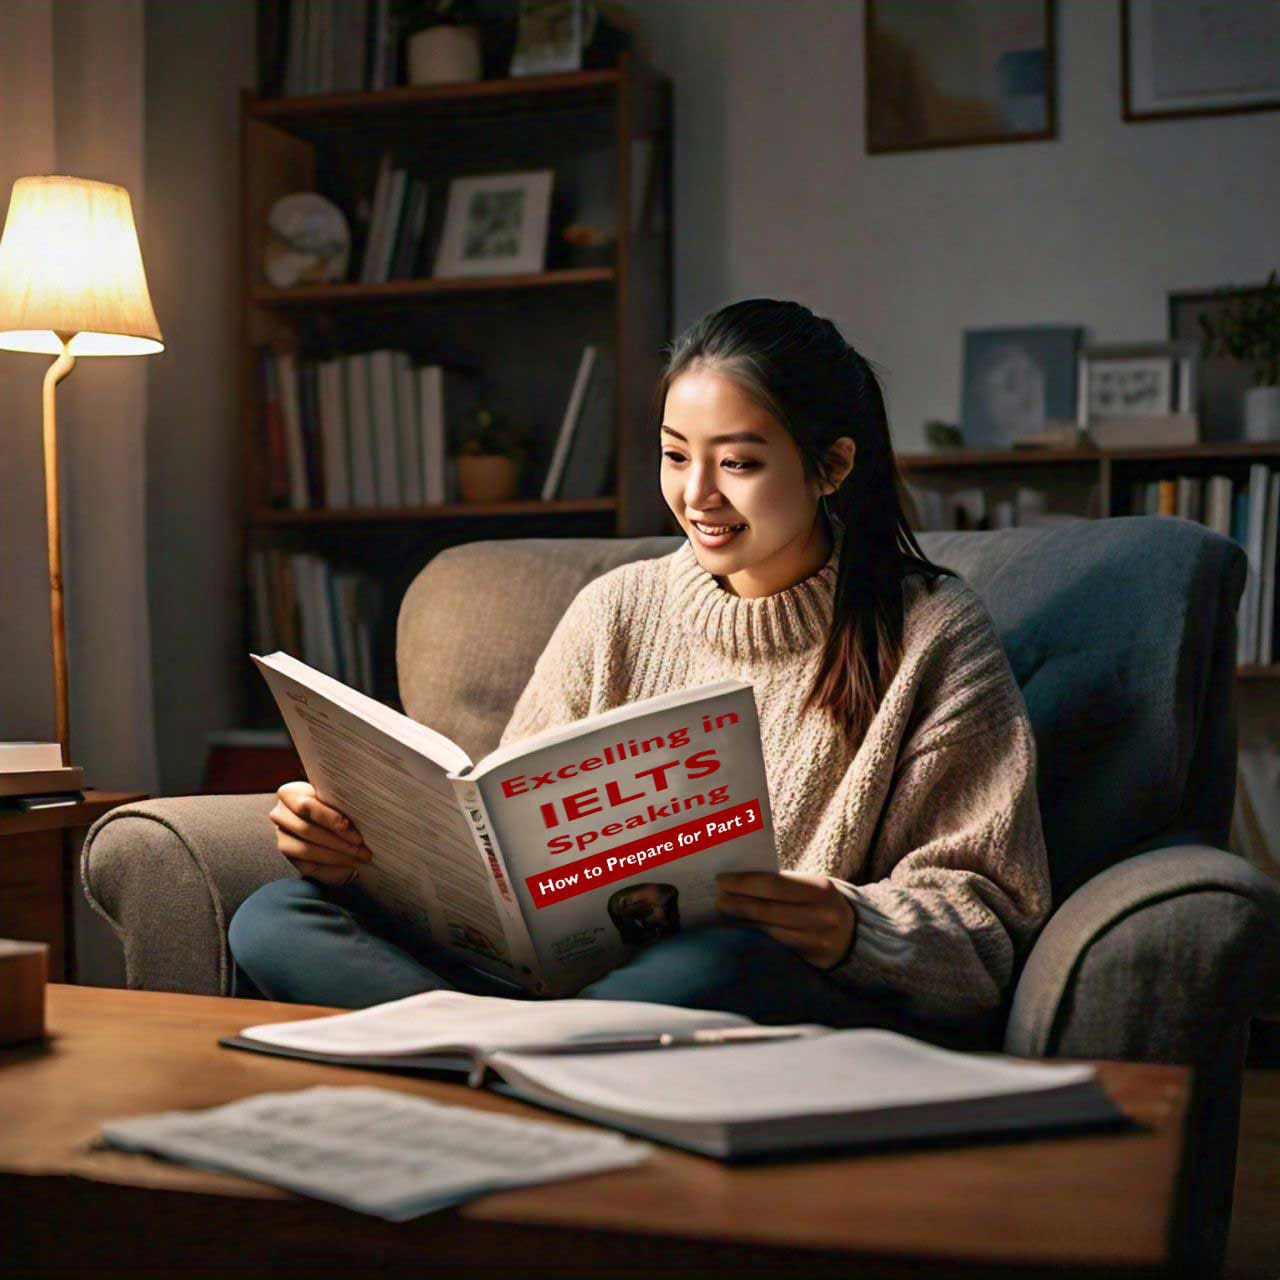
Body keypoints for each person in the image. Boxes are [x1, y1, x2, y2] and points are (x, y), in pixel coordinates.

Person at [230, 299, 1051, 1037]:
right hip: (565, 990)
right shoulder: (616, 609)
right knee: (276, 916)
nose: (698, 495)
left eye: (738, 463)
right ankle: (532, 1058)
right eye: (674, 455)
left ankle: (494, 1056)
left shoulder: (934, 632)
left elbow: (985, 928)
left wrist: (852, 926)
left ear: (832, 466)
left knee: (710, 963)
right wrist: (359, 854)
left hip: (749, 985)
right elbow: (505, 845)